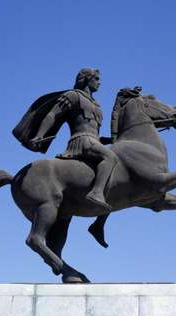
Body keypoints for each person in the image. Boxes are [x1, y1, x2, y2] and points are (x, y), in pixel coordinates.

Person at [21, 68, 116, 211]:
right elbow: (52, 114)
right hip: (81, 140)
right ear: (86, 79)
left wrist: (110, 140)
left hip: (93, 141)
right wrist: (40, 135)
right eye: (96, 79)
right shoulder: (73, 95)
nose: (99, 82)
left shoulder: (97, 105)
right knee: (110, 157)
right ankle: (96, 192)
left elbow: (96, 135)